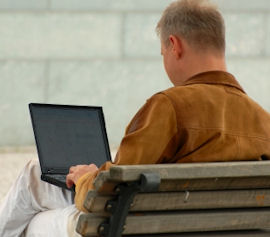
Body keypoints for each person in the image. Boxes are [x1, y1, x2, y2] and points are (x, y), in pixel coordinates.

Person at [1, 0, 270, 236]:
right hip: (215, 226)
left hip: (132, 227)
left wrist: (87, 177)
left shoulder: (170, 106)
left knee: (34, 216)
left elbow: (113, 191)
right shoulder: (263, 120)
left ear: (174, 45)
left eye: (163, 51)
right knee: (35, 176)